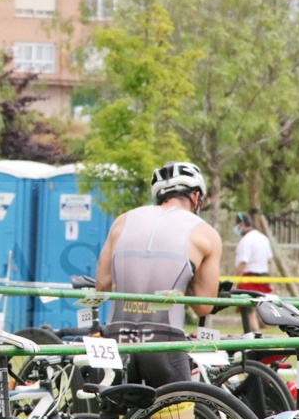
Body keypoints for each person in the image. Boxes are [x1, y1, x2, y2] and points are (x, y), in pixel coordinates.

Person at [95, 161, 223, 387]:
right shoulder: (205, 232)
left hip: (116, 340)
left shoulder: (122, 221)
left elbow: (102, 284)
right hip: (164, 342)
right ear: (195, 198)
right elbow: (203, 306)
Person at [234, 211, 273, 332]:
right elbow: (270, 260)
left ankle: (253, 335)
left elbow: (243, 262)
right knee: (262, 307)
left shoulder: (246, 240)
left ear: (241, 224)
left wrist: (236, 280)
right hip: (264, 277)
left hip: (249, 277)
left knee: (249, 312)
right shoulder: (263, 238)